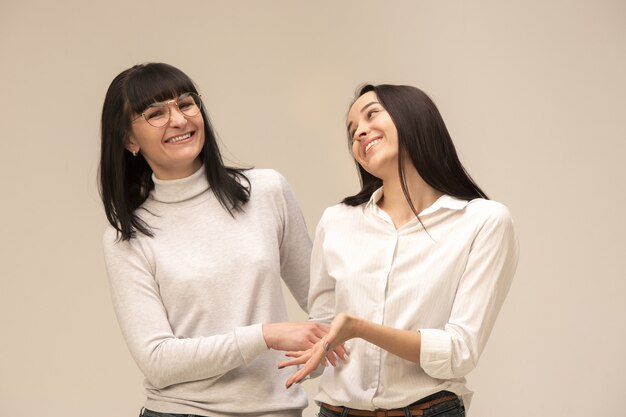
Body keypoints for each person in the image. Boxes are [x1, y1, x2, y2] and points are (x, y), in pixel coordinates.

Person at [99, 62, 330, 417]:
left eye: (186, 103)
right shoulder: (128, 238)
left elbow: (324, 299)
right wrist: (264, 336)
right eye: (155, 113)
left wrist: (317, 355)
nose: (178, 120)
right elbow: (158, 360)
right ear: (129, 139)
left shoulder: (266, 191)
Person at [281, 84, 519, 417]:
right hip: (337, 410)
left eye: (372, 114)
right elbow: (323, 331)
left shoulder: (483, 222)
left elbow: (460, 351)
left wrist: (362, 329)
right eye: (352, 132)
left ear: (414, 118)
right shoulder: (336, 221)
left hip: (429, 410)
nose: (360, 132)